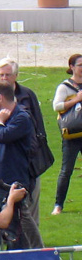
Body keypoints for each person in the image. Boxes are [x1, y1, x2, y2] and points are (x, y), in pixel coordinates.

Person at [0, 57, 53, 228]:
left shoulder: (26, 98)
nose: (4, 78)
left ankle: (31, 247)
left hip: (22, 162)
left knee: (22, 217)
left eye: (8, 75)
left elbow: (37, 127)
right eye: (1, 75)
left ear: (16, 75)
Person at [0, 81, 43, 249]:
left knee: (13, 231)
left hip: (10, 183)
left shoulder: (22, 117)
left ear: (0, 97)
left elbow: (3, 136)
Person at [53, 53, 82, 215]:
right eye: (80, 65)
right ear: (72, 67)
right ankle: (58, 204)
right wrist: (76, 99)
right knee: (66, 170)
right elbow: (57, 106)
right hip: (72, 135)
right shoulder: (65, 87)